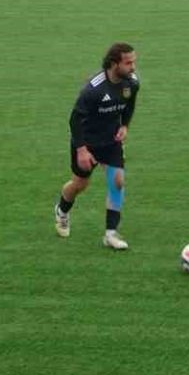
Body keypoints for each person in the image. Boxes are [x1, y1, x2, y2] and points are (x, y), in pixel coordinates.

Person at [55, 42, 139, 251]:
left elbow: (129, 105)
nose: (133, 67)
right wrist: (82, 150)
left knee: (117, 182)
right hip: (87, 142)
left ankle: (110, 234)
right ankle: (62, 210)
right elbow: (75, 120)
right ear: (114, 64)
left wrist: (125, 126)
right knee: (79, 185)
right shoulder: (93, 89)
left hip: (111, 141)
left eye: (134, 62)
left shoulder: (132, 83)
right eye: (128, 63)